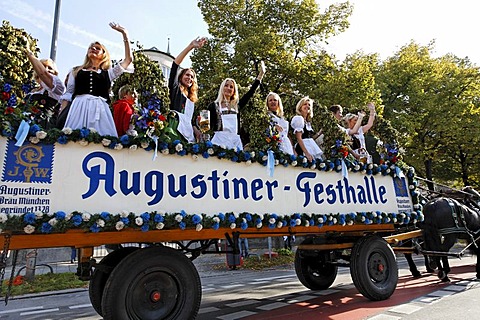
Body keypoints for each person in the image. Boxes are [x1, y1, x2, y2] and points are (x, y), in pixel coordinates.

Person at [61, 22, 133, 137]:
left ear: (104, 54)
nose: (93, 49)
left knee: (103, 139)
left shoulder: (108, 73)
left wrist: (125, 34)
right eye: (91, 47)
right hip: (79, 107)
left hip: (100, 109)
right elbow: (68, 95)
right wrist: (61, 117)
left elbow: (128, 60)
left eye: (98, 48)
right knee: (73, 138)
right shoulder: (76, 71)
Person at [208, 61, 266, 150]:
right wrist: (201, 123)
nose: (228, 88)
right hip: (219, 140)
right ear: (222, 87)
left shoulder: (236, 106)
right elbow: (206, 125)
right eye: (226, 85)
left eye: (231, 87)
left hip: (235, 141)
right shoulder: (214, 106)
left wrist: (260, 75)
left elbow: (250, 93)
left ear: (234, 91)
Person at [169, 37, 207, 143]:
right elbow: (175, 65)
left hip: (188, 136)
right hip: (174, 129)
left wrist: (198, 131)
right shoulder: (175, 90)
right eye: (187, 75)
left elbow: (190, 122)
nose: (189, 78)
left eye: (192, 77)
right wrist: (190, 47)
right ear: (181, 76)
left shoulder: (191, 101)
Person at [24, 41, 65, 129]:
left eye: (50, 68)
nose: (46, 70)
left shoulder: (56, 87)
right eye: (43, 66)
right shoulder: (32, 91)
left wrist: (29, 53)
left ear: (55, 72)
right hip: (26, 126)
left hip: (45, 127)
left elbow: (44, 74)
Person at [290, 96, 323, 162]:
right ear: (300, 107)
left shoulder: (307, 122)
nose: (307, 106)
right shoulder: (299, 119)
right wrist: (307, 153)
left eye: (309, 105)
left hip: (310, 147)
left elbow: (310, 139)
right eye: (305, 104)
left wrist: (319, 133)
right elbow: (299, 138)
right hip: (303, 148)